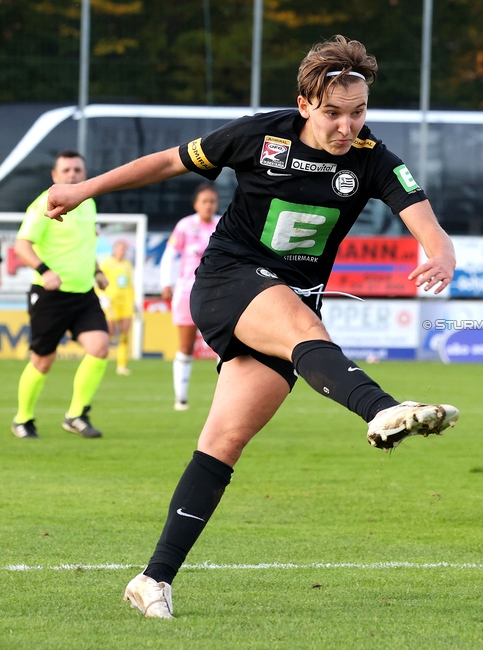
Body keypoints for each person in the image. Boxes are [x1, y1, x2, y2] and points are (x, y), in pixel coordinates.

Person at [44, 36, 459, 618]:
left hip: (286, 307)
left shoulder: (374, 159)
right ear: (306, 103)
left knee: (222, 444)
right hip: (230, 280)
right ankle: (380, 409)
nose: (347, 125)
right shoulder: (260, 136)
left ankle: (152, 578)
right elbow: (166, 163)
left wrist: (442, 254)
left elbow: (426, 221)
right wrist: (82, 189)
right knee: (303, 326)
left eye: (358, 112)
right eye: (334, 112)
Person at [11, 150, 110, 440]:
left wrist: (98, 271)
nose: (72, 175)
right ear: (55, 176)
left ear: (84, 173)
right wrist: (45, 270)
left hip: (83, 293)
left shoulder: (88, 203)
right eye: (65, 170)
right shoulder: (43, 203)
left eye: (77, 170)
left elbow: (84, 246)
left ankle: (76, 415)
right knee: (42, 360)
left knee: (100, 347)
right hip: (49, 295)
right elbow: (22, 246)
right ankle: (22, 419)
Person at [159, 183, 220, 410]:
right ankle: (181, 397)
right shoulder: (185, 226)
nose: (209, 205)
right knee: (185, 346)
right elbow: (170, 255)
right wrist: (166, 283)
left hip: (217, 294)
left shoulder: (223, 224)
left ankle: (223, 398)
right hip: (187, 292)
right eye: (204, 201)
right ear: (196, 204)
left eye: (212, 201)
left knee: (224, 347)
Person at [97, 239, 137, 376]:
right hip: (111, 302)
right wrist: (102, 297)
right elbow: (99, 281)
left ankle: (121, 365)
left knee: (125, 332)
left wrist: (133, 301)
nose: (122, 251)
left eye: (124, 249)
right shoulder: (107, 264)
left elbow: (130, 284)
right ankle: (100, 361)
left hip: (125, 303)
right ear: (114, 250)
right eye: (120, 248)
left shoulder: (127, 265)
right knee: (109, 333)